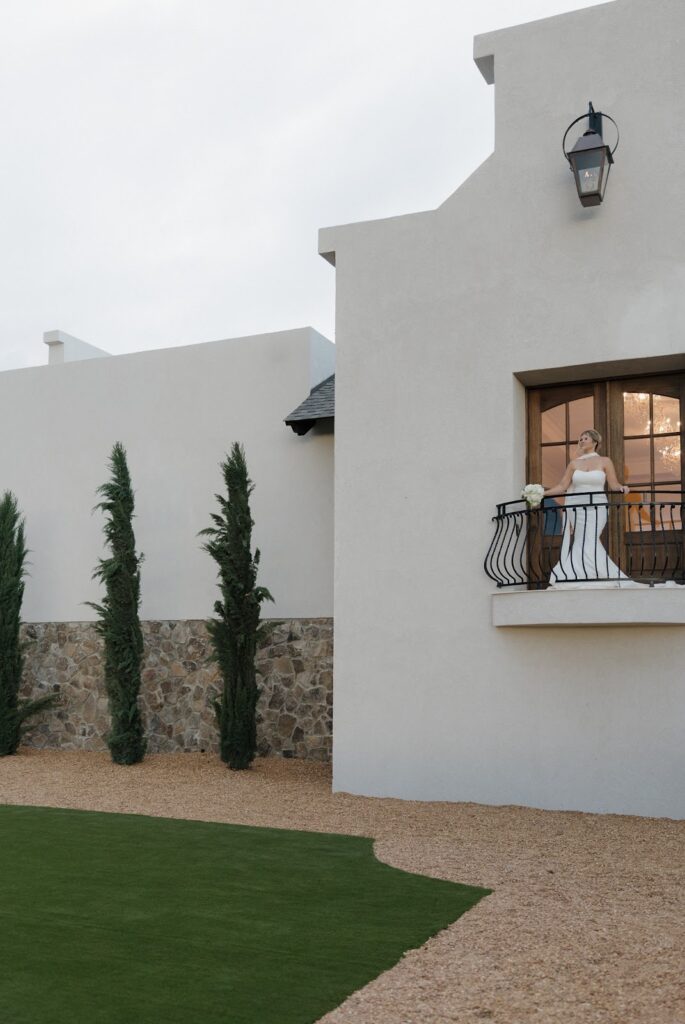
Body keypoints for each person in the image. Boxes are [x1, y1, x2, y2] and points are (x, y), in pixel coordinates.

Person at [543, 429, 631, 586]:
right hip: (576, 507)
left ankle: (582, 574)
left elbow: (613, 484)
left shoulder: (605, 461)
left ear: (595, 442)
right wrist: (543, 493)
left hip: (597, 506)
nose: (581, 441)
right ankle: (582, 574)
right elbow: (562, 486)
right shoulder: (574, 464)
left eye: (585, 438)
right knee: (581, 538)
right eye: (580, 439)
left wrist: (622, 488)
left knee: (590, 538)